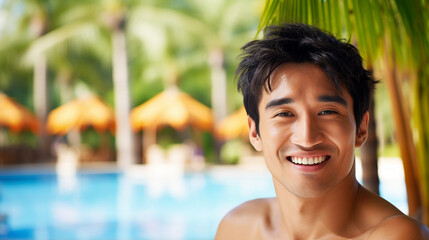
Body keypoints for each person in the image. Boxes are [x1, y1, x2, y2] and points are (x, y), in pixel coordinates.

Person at [215, 23, 429, 240]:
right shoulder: (237, 229)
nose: (307, 138)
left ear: (361, 128)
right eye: (284, 114)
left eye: (327, 112)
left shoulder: (397, 236)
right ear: (254, 132)